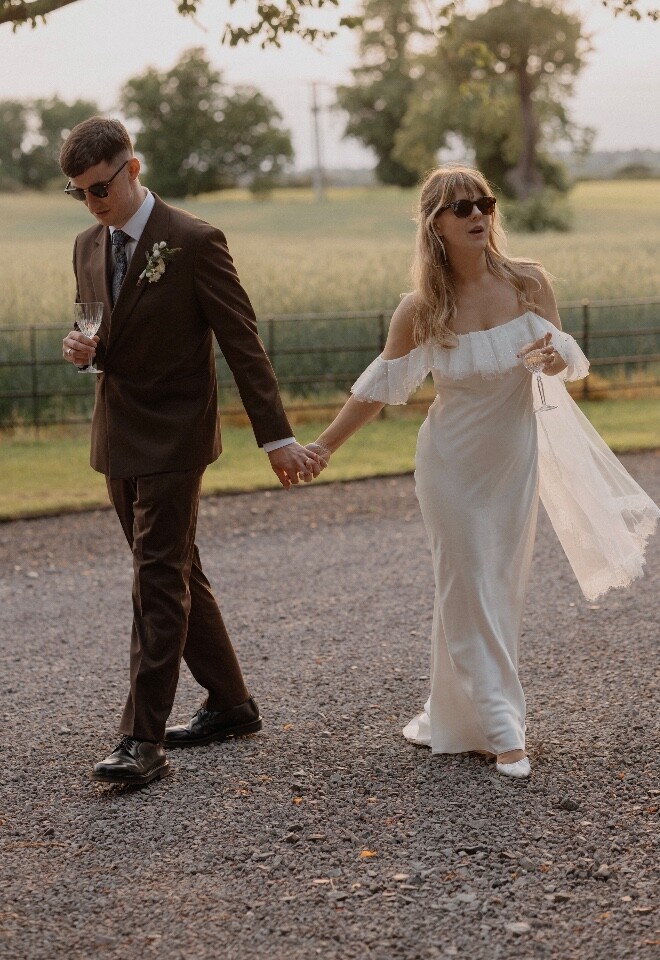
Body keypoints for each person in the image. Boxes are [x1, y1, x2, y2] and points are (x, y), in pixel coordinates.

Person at [307, 165, 659, 779]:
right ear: (435, 225)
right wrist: (324, 448)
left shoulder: (528, 282)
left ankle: (456, 719)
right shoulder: (422, 308)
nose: (477, 215)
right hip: (450, 466)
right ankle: (504, 730)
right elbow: (380, 388)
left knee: (493, 590)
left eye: (484, 203)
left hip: (512, 464)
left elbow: (569, 361)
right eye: (460, 207)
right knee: (465, 584)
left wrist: (554, 356)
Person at [60, 117, 324, 787]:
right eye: (80, 193)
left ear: (134, 168)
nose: (94, 202)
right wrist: (82, 352)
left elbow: (242, 343)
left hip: (178, 435)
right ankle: (231, 704)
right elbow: (96, 329)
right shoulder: (87, 246)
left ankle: (140, 739)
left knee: (155, 579)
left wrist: (277, 436)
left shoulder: (195, 241)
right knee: (176, 568)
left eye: (101, 187)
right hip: (117, 433)